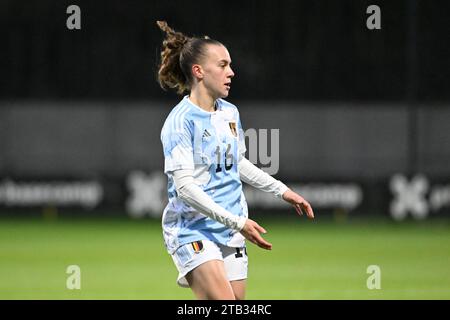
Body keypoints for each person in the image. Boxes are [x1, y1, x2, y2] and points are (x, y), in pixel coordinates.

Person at [157, 21, 314, 300]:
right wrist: (238, 222)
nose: (231, 72)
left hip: (231, 230)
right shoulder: (179, 123)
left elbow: (237, 163)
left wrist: (283, 191)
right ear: (199, 71)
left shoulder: (229, 113)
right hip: (193, 230)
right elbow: (185, 189)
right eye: (223, 65)